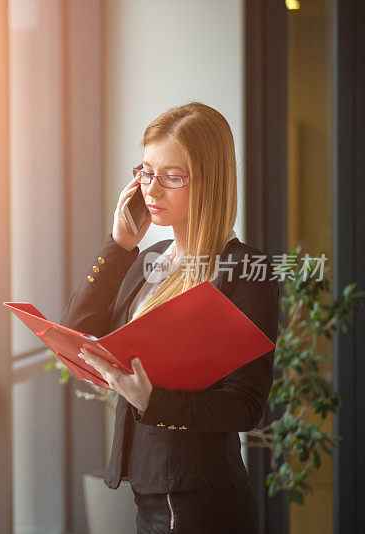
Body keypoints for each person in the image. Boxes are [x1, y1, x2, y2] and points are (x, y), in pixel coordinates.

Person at [59, 102, 279, 533]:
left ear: (209, 182)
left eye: (172, 177)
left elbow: (246, 405)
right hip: (151, 491)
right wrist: (118, 246)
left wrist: (152, 400)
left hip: (201, 501)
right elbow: (82, 330)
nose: (151, 190)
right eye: (145, 172)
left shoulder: (243, 270)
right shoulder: (151, 260)